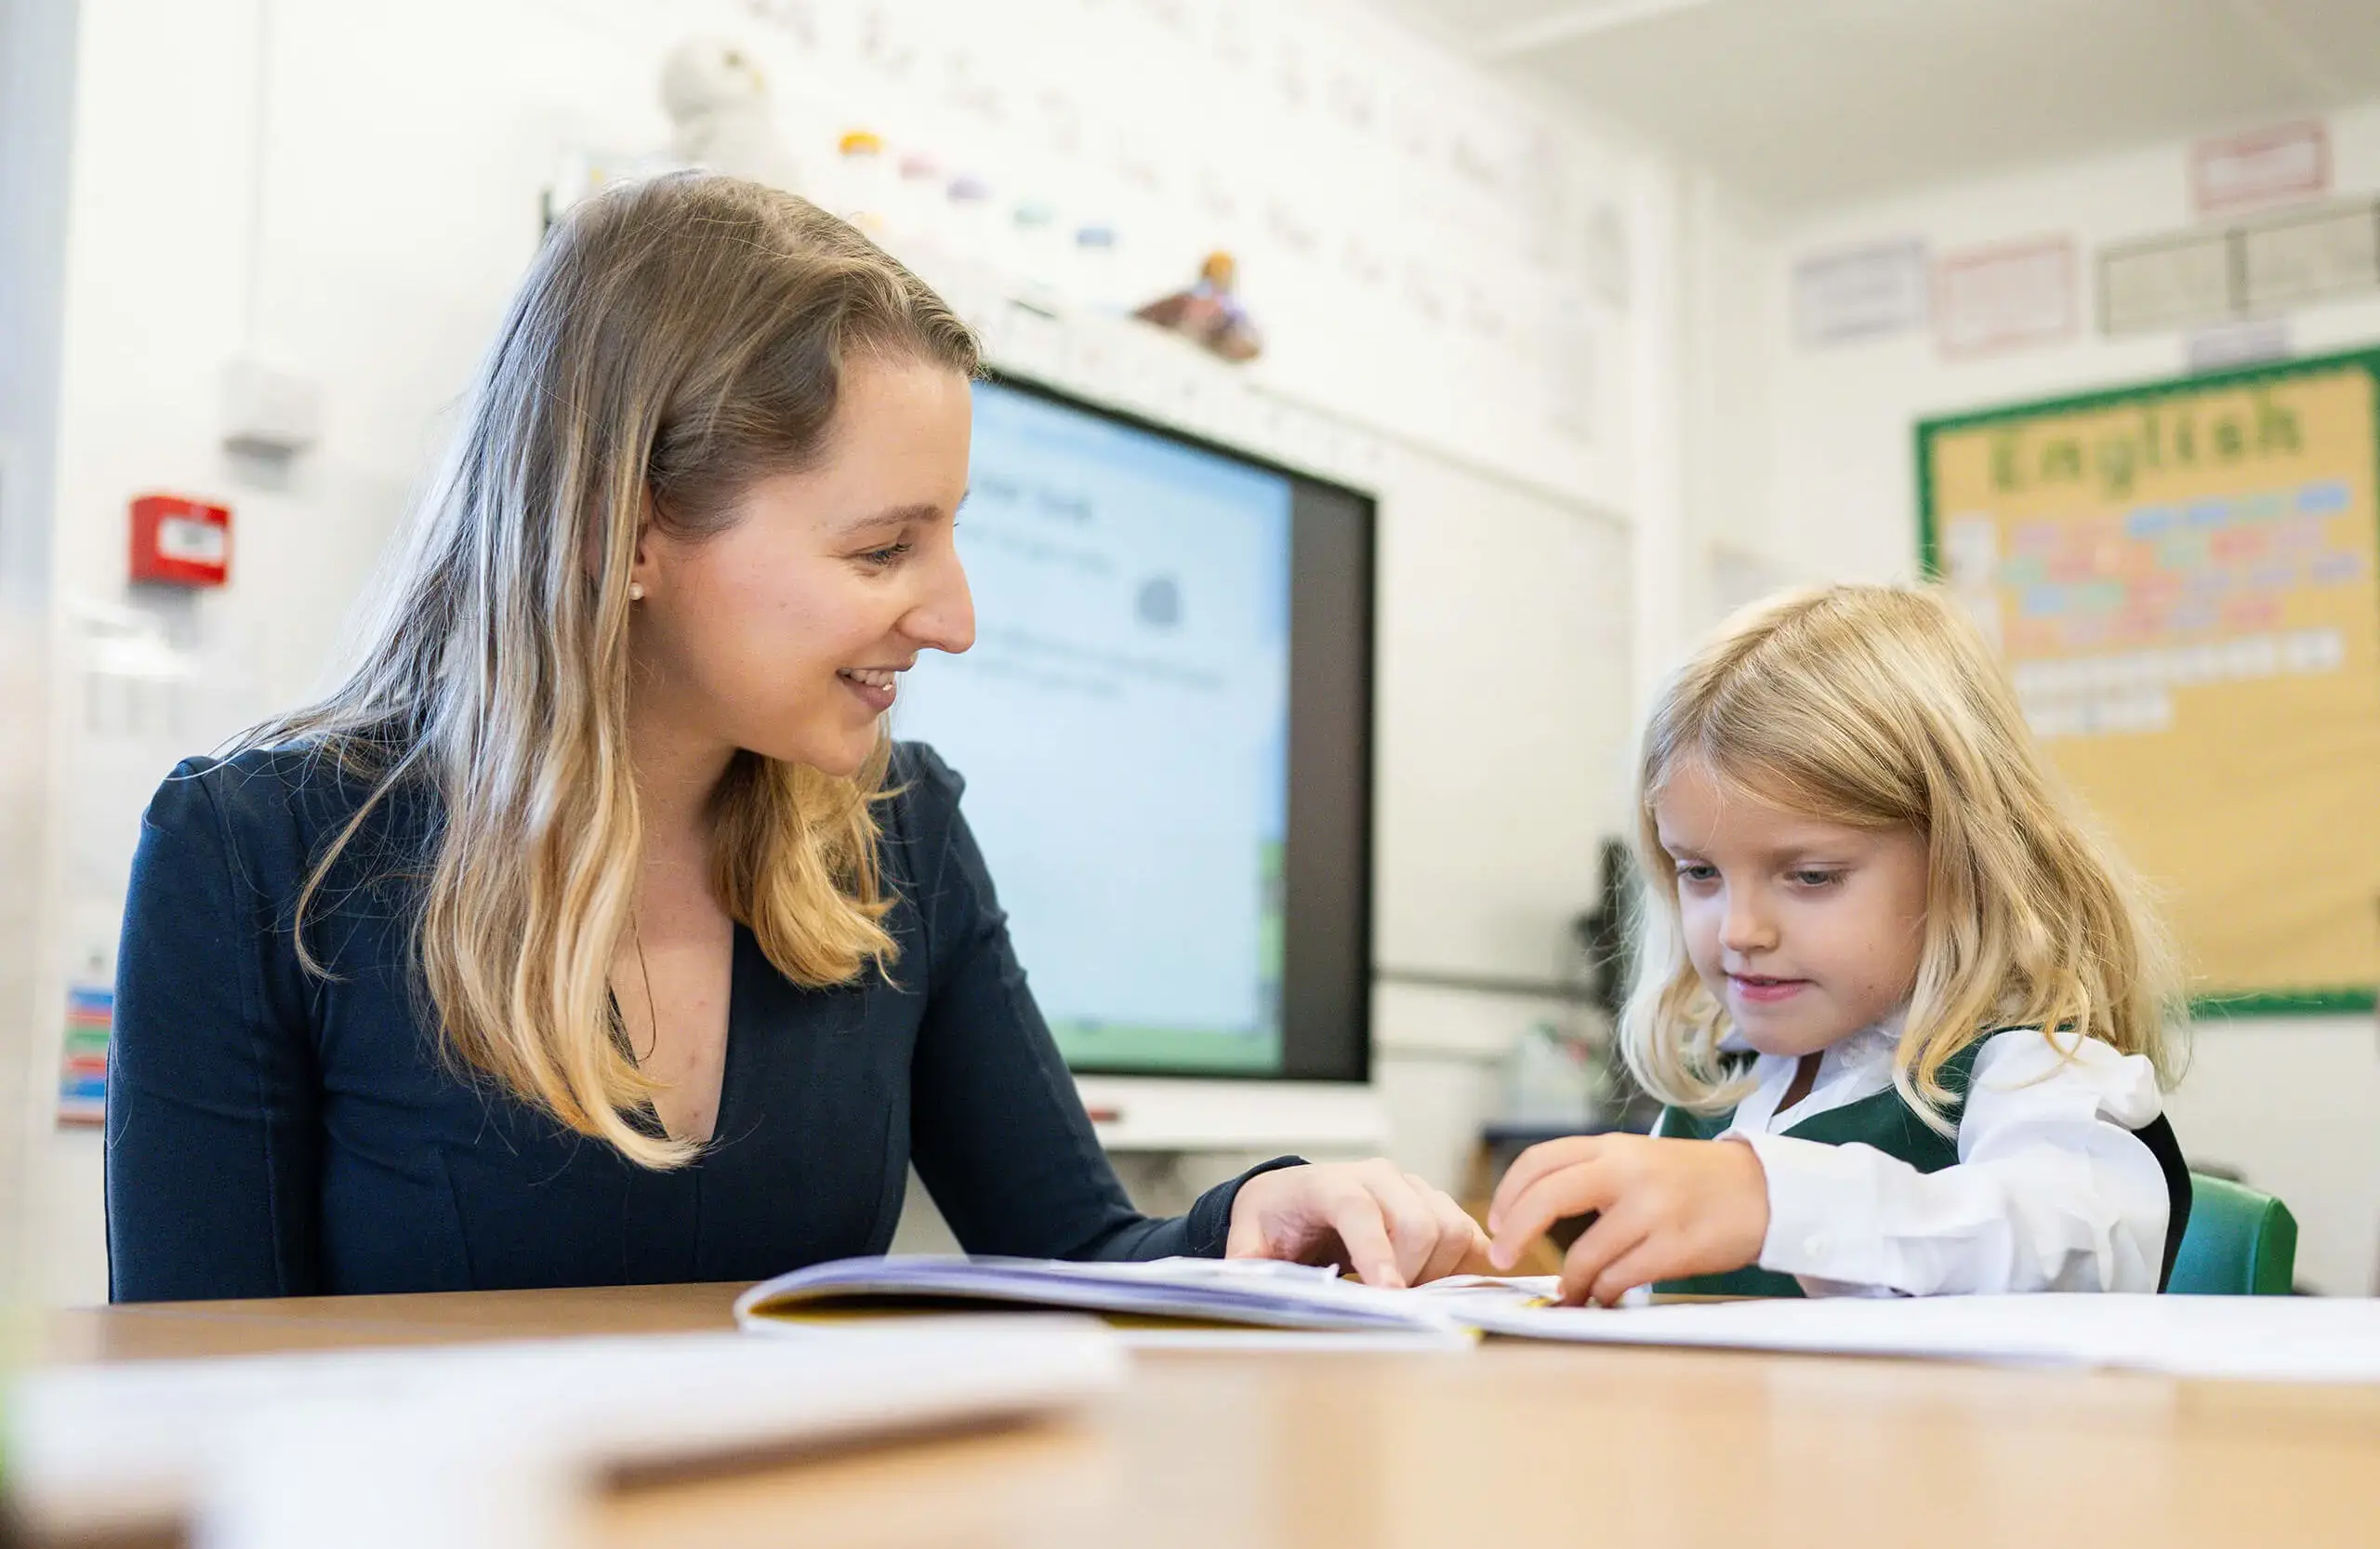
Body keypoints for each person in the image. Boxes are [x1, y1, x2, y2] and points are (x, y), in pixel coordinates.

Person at [104, 172, 1486, 1302]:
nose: (952, 617)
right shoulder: (258, 853)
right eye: (885, 548)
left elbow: (1084, 1256)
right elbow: (190, 1396)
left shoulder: (903, 834)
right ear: (629, 531)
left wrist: (1264, 1216)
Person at [1487, 584, 2191, 1304]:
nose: (1739, 932)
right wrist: (1454, 1271)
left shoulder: (2030, 1071)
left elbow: (2076, 1254)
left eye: (1811, 876)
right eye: (1699, 872)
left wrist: (1780, 1203)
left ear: (1963, 861)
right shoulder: (1720, 1094)